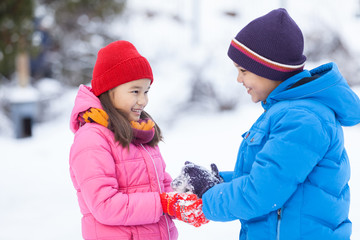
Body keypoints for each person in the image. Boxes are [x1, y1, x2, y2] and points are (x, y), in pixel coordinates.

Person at [189, 8, 360, 240]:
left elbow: (262, 194)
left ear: (270, 70)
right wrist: (218, 181)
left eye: (244, 71)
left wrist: (210, 196)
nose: (239, 79)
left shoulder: (301, 119)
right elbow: (273, 177)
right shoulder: (292, 113)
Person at [69, 40, 206, 240]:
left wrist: (184, 200)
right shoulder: (91, 139)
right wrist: (164, 204)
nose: (143, 100)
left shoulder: (140, 133)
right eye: (135, 91)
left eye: (146, 91)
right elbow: (104, 205)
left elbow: (161, 185)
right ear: (109, 89)